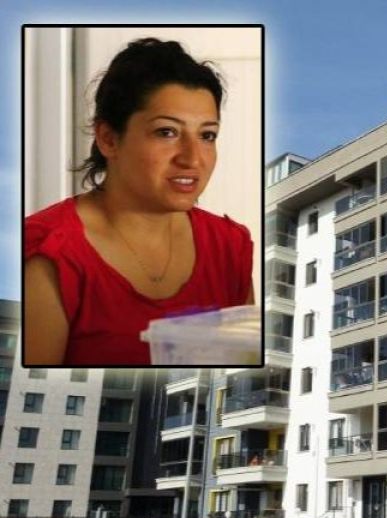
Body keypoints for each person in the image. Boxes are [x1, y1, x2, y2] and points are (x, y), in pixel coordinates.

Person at [24, 38, 253, 366]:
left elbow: (239, 373)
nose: (193, 159)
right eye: (166, 132)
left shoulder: (229, 247)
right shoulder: (49, 252)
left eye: (207, 136)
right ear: (108, 139)